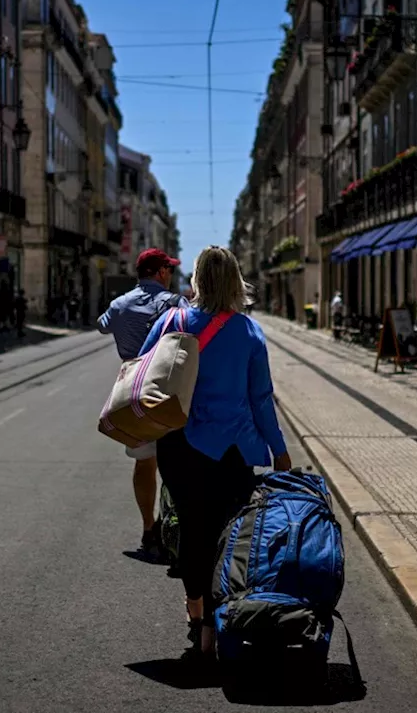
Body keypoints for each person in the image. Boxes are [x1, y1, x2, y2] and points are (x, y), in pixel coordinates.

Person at [138, 245, 291, 659]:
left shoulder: (171, 320)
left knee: (192, 529)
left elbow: (144, 373)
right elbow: (261, 399)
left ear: (197, 278)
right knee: (229, 535)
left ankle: (195, 615)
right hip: (235, 452)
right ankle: (218, 619)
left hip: (182, 446)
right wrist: (279, 450)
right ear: (235, 281)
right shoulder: (249, 332)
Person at [96, 247, 189, 560]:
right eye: (170, 269)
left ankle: (148, 527)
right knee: (178, 464)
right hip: (169, 390)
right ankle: (174, 529)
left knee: (144, 462)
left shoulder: (120, 303)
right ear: (161, 272)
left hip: (133, 393)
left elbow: (102, 324)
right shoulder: (174, 303)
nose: (172, 274)